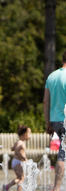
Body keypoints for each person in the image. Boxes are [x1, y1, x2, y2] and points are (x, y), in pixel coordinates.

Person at [44, 50, 66, 190]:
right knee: (62, 157)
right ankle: (57, 188)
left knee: (62, 153)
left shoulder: (51, 76)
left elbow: (46, 101)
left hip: (55, 121)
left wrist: (48, 123)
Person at [4, 125, 31, 191]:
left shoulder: (18, 141)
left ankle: (7, 186)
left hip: (16, 162)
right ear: (25, 134)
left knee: (19, 178)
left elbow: (13, 149)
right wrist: (24, 158)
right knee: (22, 178)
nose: (30, 136)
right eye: (29, 134)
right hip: (17, 162)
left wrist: (14, 147)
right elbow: (16, 151)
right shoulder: (20, 143)